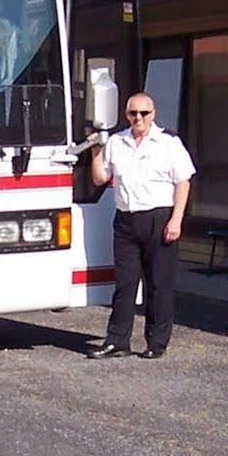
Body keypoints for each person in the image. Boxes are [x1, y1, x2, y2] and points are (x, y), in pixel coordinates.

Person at [87, 93, 195, 359]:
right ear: (126, 115)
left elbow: (183, 182)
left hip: (159, 219)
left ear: (153, 114)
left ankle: (156, 343)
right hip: (126, 221)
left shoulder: (169, 143)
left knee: (158, 284)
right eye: (133, 113)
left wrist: (176, 220)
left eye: (144, 113)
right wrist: (95, 151)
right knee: (125, 284)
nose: (138, 118)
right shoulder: (116, 142)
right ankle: (117, 341)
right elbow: (101, 178)